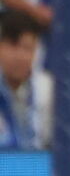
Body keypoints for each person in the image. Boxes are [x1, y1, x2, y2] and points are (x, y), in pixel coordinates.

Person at [0, 10, 49, 150]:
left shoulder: (47, 89)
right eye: (13, 46)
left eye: (28, 48)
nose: (21, 56)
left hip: (38, 168)